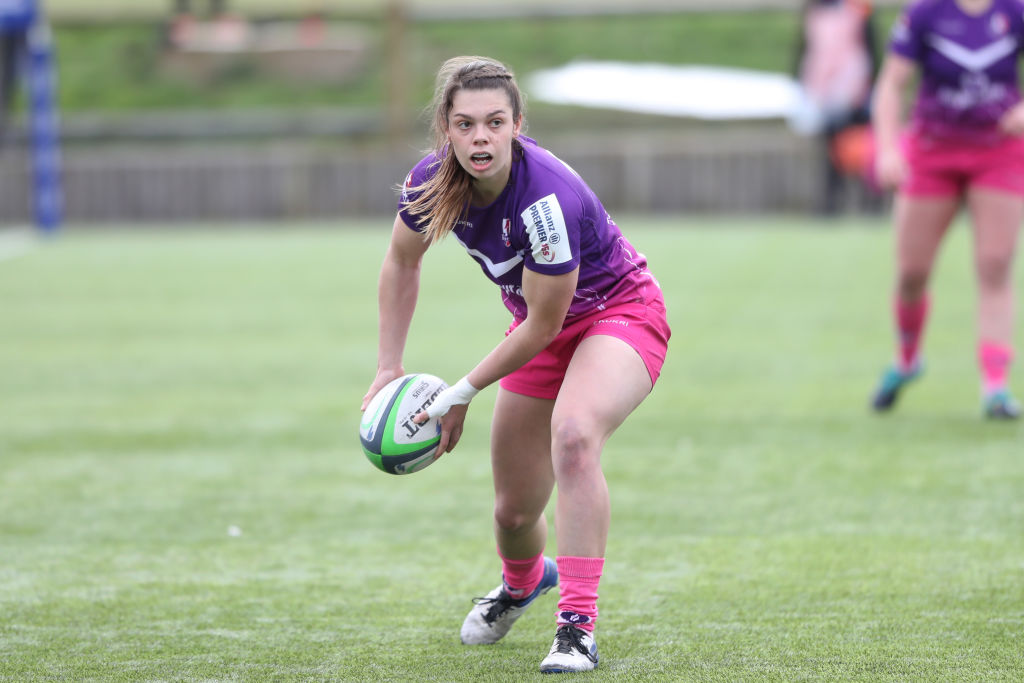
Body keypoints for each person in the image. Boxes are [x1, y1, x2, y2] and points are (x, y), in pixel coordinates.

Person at [360, 56, 671, 674]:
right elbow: (401, 261)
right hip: (540, 329)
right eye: (466, 124)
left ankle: (577, 627)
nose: (481, 138)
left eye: (494, 123)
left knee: (575, 437)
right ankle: (524, 582)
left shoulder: (544, 199)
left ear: (517, 125)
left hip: (620, 316)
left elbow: (546, 322)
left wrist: (459, 393)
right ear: (446, 130)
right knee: (514, 513)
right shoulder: (432, 181)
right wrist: (387, 367)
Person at [870, 0, 1024, 419]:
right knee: (912, 273)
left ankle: (995, 385)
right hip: (931, 153)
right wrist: (887, 149)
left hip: (999, 153)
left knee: (995, 263)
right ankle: (907, 359)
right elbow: (890, 85)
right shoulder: (925, 13)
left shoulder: (1015, 11)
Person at [792, 0, 879, 214]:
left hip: (855, 90)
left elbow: (870, 46)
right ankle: (831, 205)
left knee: (861, 152)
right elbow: (805, 48)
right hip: (824, 93)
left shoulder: (859, 6)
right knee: (830, 154)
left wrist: (871, 87)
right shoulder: (814, 9)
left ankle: (870, 205)